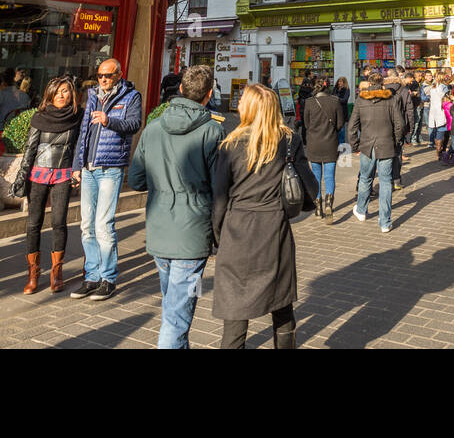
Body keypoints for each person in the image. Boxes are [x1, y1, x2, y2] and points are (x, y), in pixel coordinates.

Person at [211, 83, 317, 349]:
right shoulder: (289, 140)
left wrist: (217, 235)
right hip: (274, 230)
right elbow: (311, 189)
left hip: (237, 233)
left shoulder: (230, 144)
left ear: (247, 108)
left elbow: (219, 199)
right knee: (281, 305)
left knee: (235, 313)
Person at [126, 64, 224, 348]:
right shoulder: (212, 132)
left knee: (174, 306)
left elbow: (136, 179)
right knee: (177, 316)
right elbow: (220, 189)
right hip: (193, 234)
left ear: (180, 89)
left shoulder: (153, 127)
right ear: (208, 96)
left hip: (159, 229)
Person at [70, 58, 142, 301]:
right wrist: (77, 165)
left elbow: (134, 124)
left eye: (108, 75)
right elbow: (84, 132)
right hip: (89, 168)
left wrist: (108, 120)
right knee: (86, 226)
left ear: (119, 75)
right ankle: (91, 276)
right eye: (100, 75)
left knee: (103, 225)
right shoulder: (92, 95)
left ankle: (108, 278)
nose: (103, 79)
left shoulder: (131, 96)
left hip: (111, 168)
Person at [17, 76, 82, 294]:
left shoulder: (77, 117)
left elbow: (79, 147)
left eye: (65, 91)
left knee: (59, 222)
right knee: (33, 224)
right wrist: (21, 177)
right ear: (50, 94)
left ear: (71, 94)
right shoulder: (39, 117)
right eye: (58, 91)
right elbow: (30, 149)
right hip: (38, 175)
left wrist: (77, 170)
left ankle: (57, 272)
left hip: (63, 174)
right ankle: (33, 273)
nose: (62, 96)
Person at [349, 71, 405, 232]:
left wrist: (355, 146)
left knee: (366, 178)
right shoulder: (392, 99)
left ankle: (361, 210)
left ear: (368, 83)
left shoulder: (361, 101)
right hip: (386, 144)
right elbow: (399, 124)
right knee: (386, 181)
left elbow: (352, 126)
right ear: (382, 84)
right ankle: (385, 222)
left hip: (367, 145)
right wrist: (395, 141)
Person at [301, 78, 345, 222]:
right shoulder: (335, 101)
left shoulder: (309, 102)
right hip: (330, 143)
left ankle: (318, 205)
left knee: (316, 176)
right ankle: (329, 204)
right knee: (329, 176)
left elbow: (306, 124)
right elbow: (340, 124)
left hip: (314, 144)